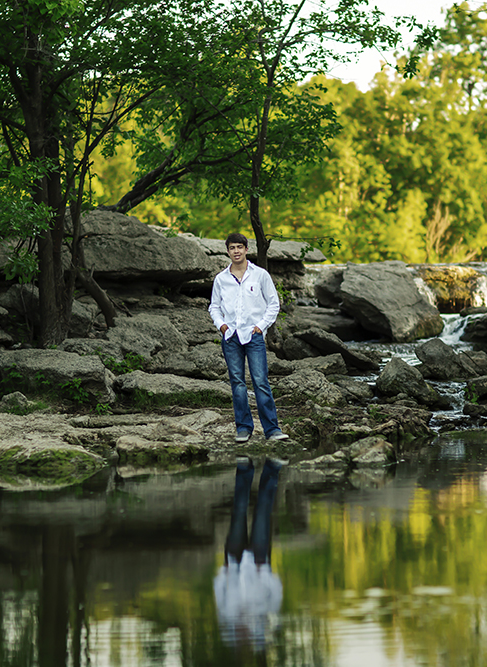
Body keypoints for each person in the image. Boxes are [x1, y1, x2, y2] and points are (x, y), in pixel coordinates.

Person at [208, 233, 289, 443]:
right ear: (227, 251)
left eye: (239, 247)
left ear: (246, 249)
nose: (236, 251)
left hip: (253, 336)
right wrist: (222, 325)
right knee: (237, 383)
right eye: (232, 248)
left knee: (261, 382)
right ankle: (243, 428)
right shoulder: (221, 279)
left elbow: (273, 304)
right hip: (230, 336)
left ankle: (272, 430)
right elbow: (214, 306)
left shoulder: (260, 275)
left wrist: (260, 327)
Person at [213, 456, 285, 650]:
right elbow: (277, 592)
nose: (242, 631)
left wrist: (224, 571)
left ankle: (245, 468)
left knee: (239, 511)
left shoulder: (227, 613)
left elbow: (219, 589)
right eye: (244, 634)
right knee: (263, 512)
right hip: (260, 561)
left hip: (234, 561)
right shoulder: (264, 615)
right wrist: (266, 573)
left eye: (240, 633)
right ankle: (271, 470)